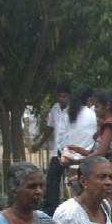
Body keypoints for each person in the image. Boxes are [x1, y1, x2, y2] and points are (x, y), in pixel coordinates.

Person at [30, 83, 72, 216]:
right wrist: (40, 143)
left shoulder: (74, 110)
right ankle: (51, 210)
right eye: (59, 96)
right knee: (52, 178)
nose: (61, 98)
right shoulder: (55, 108)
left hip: (72, 149)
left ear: (69, 97)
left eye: (64, 96)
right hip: (57, 150)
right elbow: (50, 127)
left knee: (74, 179)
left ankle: (75, 209)